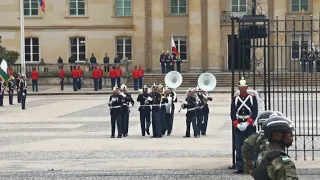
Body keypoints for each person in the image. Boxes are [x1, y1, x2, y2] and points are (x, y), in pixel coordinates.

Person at [230, 77, 258, 174]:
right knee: (239, 146)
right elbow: (233, 114)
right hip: (239, 124)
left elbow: (254, 112)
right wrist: (237, 125)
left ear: (246, 87)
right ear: (238, 88)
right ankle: (240, 166)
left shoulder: (252, 98)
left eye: (244, 87)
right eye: (240, 87)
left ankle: (253, 166)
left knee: (252, 146)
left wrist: (248, 123)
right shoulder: (235, 99)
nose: (242, 89)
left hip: (249, 125)